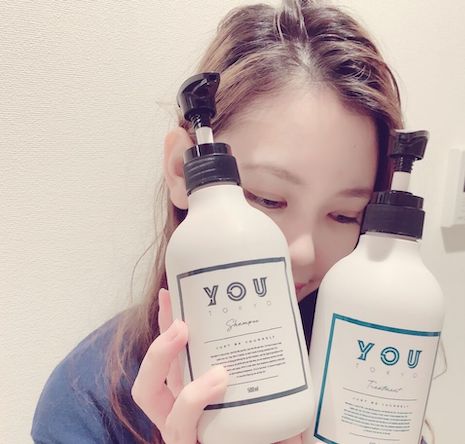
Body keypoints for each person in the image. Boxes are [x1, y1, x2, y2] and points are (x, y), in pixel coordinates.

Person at [32, 0, 430, 443]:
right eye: (269, 198)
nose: (304, 252)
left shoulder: (368, 360)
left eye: (344, 215)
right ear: (183, 171)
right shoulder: (82, 406)